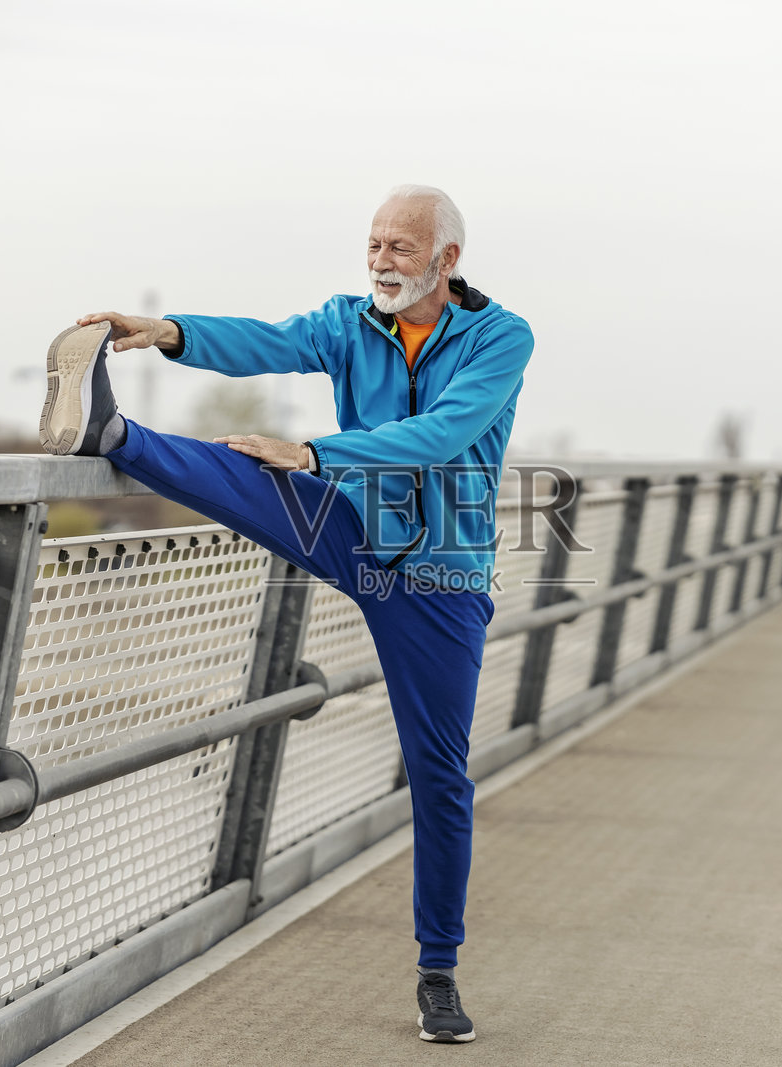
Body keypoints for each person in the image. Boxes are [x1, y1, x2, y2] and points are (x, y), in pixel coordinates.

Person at [39, 184, 532, 1044]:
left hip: (440, 579)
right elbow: (267, 341)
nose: (381, 261)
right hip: (353, 526)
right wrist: (166, 332)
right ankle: (111, 433)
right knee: (246, 472)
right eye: (374, 244)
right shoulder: (349, 324)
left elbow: (444, 434)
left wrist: (312, 451)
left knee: (440, 776)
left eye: (401, 247)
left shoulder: (500, 338)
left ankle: (438, 969)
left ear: (447, 259)